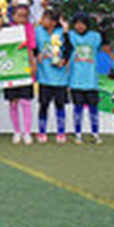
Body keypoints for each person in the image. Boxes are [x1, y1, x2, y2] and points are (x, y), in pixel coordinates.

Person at [65, 13, 103, 145]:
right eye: (77, 23)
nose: (79, 26)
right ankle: (78, 133)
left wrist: (100, 22)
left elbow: (105, 38)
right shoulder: (70, 36)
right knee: (77, 109)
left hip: (91, 81)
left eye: (82, 23)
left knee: (93, 109)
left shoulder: (95, 37)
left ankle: (95, 133)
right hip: (76, 81)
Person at [34, 9, 70, 143]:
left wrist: (64, 60)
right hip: (44, 76)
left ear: (54, 22)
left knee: (60, 105)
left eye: (46, 19)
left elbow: (69, 48)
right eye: (43, 18)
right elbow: (32, 45)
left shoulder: (62, 33)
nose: (43, 20)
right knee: (43, 105)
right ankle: (41, 132)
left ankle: (61, 132)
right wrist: (36, 53)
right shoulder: (38, 31)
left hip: (60, 78)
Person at [4, 0, 36, 145]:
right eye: (19, 16)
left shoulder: (29, 28)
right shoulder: (7, 28)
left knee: (26, 101)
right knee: (13, 102)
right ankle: (16, 131)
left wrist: (32, 64)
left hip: (24, 67)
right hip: (11, 68)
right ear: (13, 16)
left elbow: (30, 48)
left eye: (25, 16)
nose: (22, 19)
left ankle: (27, 132)